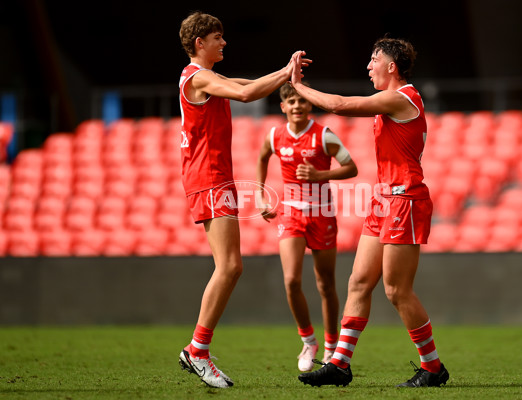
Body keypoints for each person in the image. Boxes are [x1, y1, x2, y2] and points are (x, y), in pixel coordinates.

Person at [291, 38, 450, 388]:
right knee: (359, 282)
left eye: (374, 59)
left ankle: (433, 368)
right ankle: (340, 365)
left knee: (396, 290)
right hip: (383, 200)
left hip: (404, 199)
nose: (368, 66)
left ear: (392, 67)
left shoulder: (401, 97)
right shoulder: (390, 102)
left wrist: (298, 86)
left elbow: (340, 104)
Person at [176, 11, 309, 389]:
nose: (224, 43)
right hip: (208, 178)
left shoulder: (206, 78)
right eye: (218, 37)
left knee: (231, 265)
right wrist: (286, 72)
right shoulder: (198, 77)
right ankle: (197, 350)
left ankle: (198, 349)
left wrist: (286, 77)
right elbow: (248, 94)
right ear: (200, 43)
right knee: (231, 265)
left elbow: (248, 84)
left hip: (214, 177)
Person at [256, 84, 358, 372]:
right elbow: (262, 157)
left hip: (322, 214)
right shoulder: (275, 135)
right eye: (291, 101)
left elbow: (352, 168)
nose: (297, 105)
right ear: (283, 107)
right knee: (291, 281)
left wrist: (319, 174)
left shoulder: (323, 135)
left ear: (309, 105)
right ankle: (308, 340)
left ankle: (330, 347)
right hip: (291, 213)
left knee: (325, 284)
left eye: (302, 100)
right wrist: (260, 195)